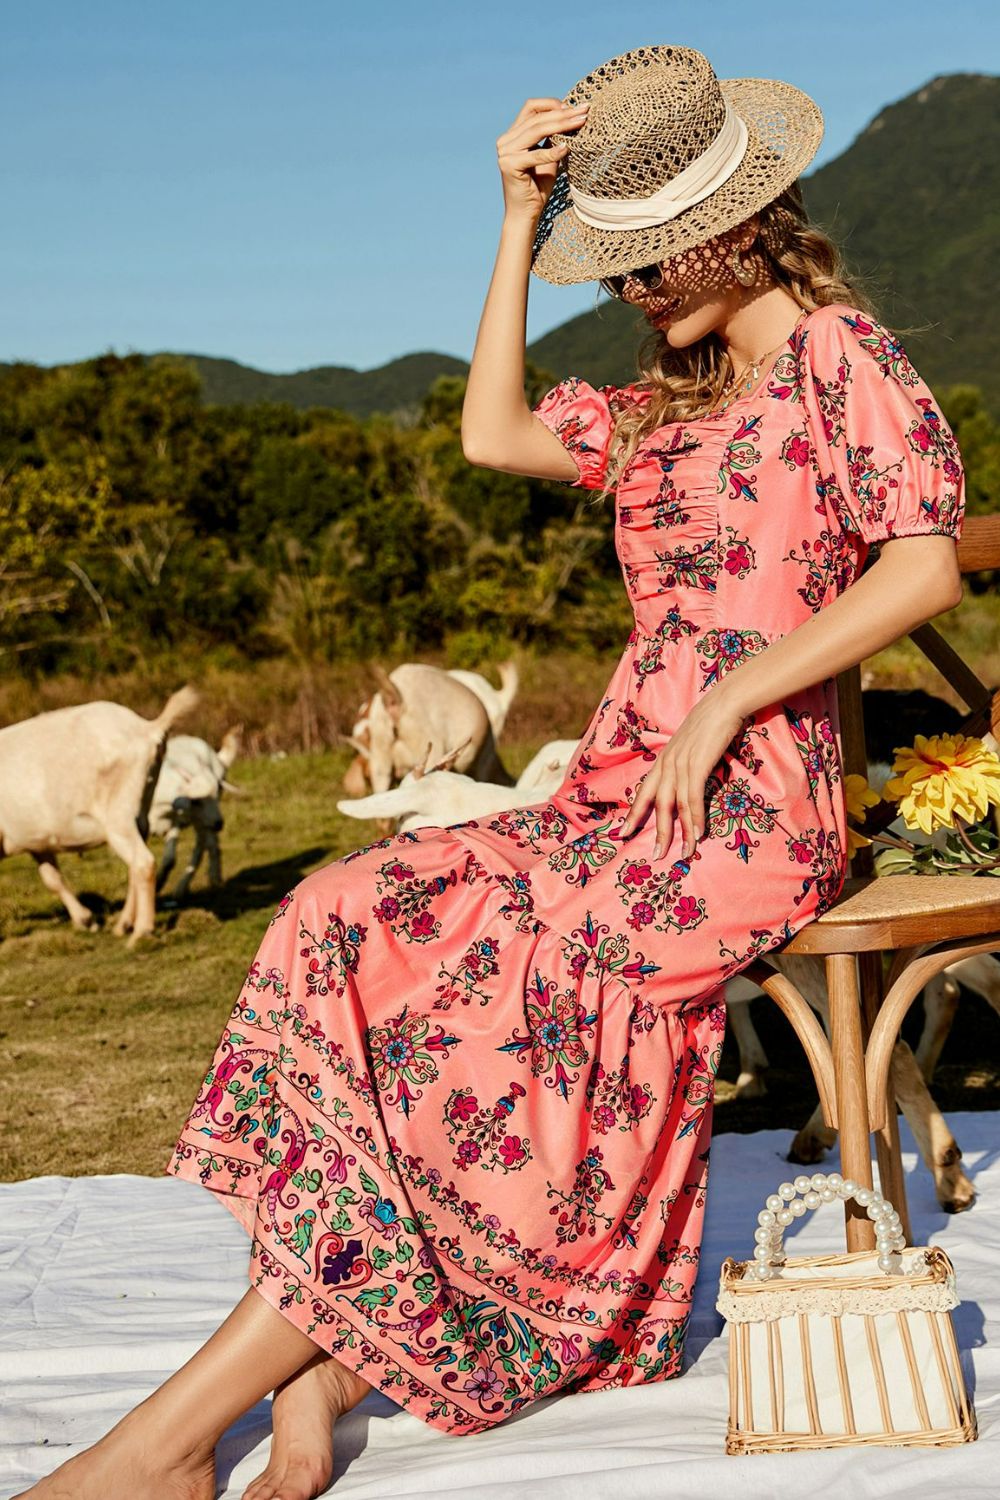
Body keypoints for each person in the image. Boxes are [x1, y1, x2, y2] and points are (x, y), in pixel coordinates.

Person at [17, 41, 965, 1500]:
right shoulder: (666, 401)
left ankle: (164, 1442)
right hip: (617, 787)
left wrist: (731, 699)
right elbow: (490, 431)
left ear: (739, 221)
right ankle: (321, 1366)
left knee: (518, 975)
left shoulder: (842, 358)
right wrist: (519, 220)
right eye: (614, 255)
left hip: (753, 803)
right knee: (349, 909)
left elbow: (920, 568)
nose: (630, 282)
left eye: (649, 251)